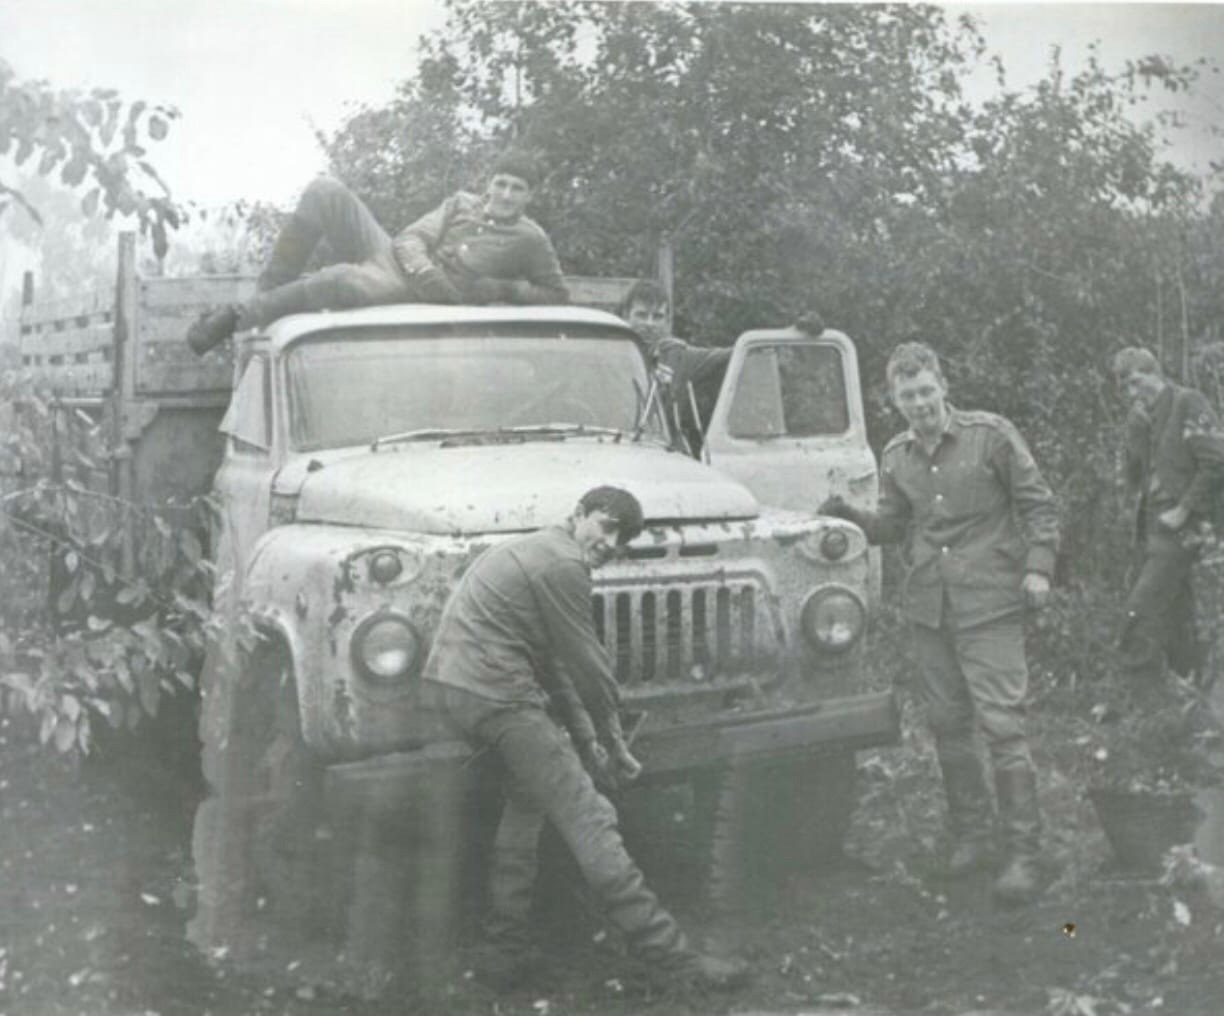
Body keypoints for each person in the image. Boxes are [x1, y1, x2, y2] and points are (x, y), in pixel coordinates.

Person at [422, 485, 749, 991]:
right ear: (578, 515)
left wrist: (589, 739)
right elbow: (589, 668)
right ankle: (674, 959)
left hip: (458, 688)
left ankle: (502, 951)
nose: (611, 543)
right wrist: (614, 743)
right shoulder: (562, 564)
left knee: (529, 797)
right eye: (607, 526)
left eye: (622, 540)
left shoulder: (538, 551)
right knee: (588, 812)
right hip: (495, 693)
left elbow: (553, 666)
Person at [820, 342, 1060, 904]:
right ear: (895, 401)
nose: (920, 403)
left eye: (926, 390)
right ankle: (973, 837)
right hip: (930, 608)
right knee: (948, 725)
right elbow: (895, 525)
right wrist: (853, 517)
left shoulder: (991, 436)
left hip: (990, 604)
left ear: (943, 386)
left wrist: (1039, 569)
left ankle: (1025, 852)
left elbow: (1039, 505)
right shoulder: (897, 454)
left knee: (1003, 724)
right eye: (908, 396)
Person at [186, 151, 568, 355]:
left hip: (419, 296)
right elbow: (410, 238)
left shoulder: (531, 239)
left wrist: (501, 289)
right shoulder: (461, 204)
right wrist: (425, 269)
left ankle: (236, 318)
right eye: (500, 183)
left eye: (517, 188)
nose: (504, 195)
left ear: (530, 195)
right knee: (324, 190)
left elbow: (557, 295)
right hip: (401, 263)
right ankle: (264, 304)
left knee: (340, 280)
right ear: (489, 183)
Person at [1111, 346, 1224, 689]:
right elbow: (1135, 475)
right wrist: (1136, 433)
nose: (1132, 393)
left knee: (1140, 609)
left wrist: (1184, 509)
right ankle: (1187, 692)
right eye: (1125, 388)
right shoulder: (1141, 419)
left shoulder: (1187, 402)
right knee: (1176, 609)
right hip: (1152, 526)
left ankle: (1138, 697)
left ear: (1155, 372)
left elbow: (1216, 461)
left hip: (1186, 526)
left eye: (1136, 382)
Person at [618, 280, 731, 452]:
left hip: (666, 452)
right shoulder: (610, 356)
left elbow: (730, 355)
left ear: (667, 321)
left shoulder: (677, 355)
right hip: (619, 446)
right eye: (641, 315)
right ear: (626, 316)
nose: (649, 324)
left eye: (657, 317)